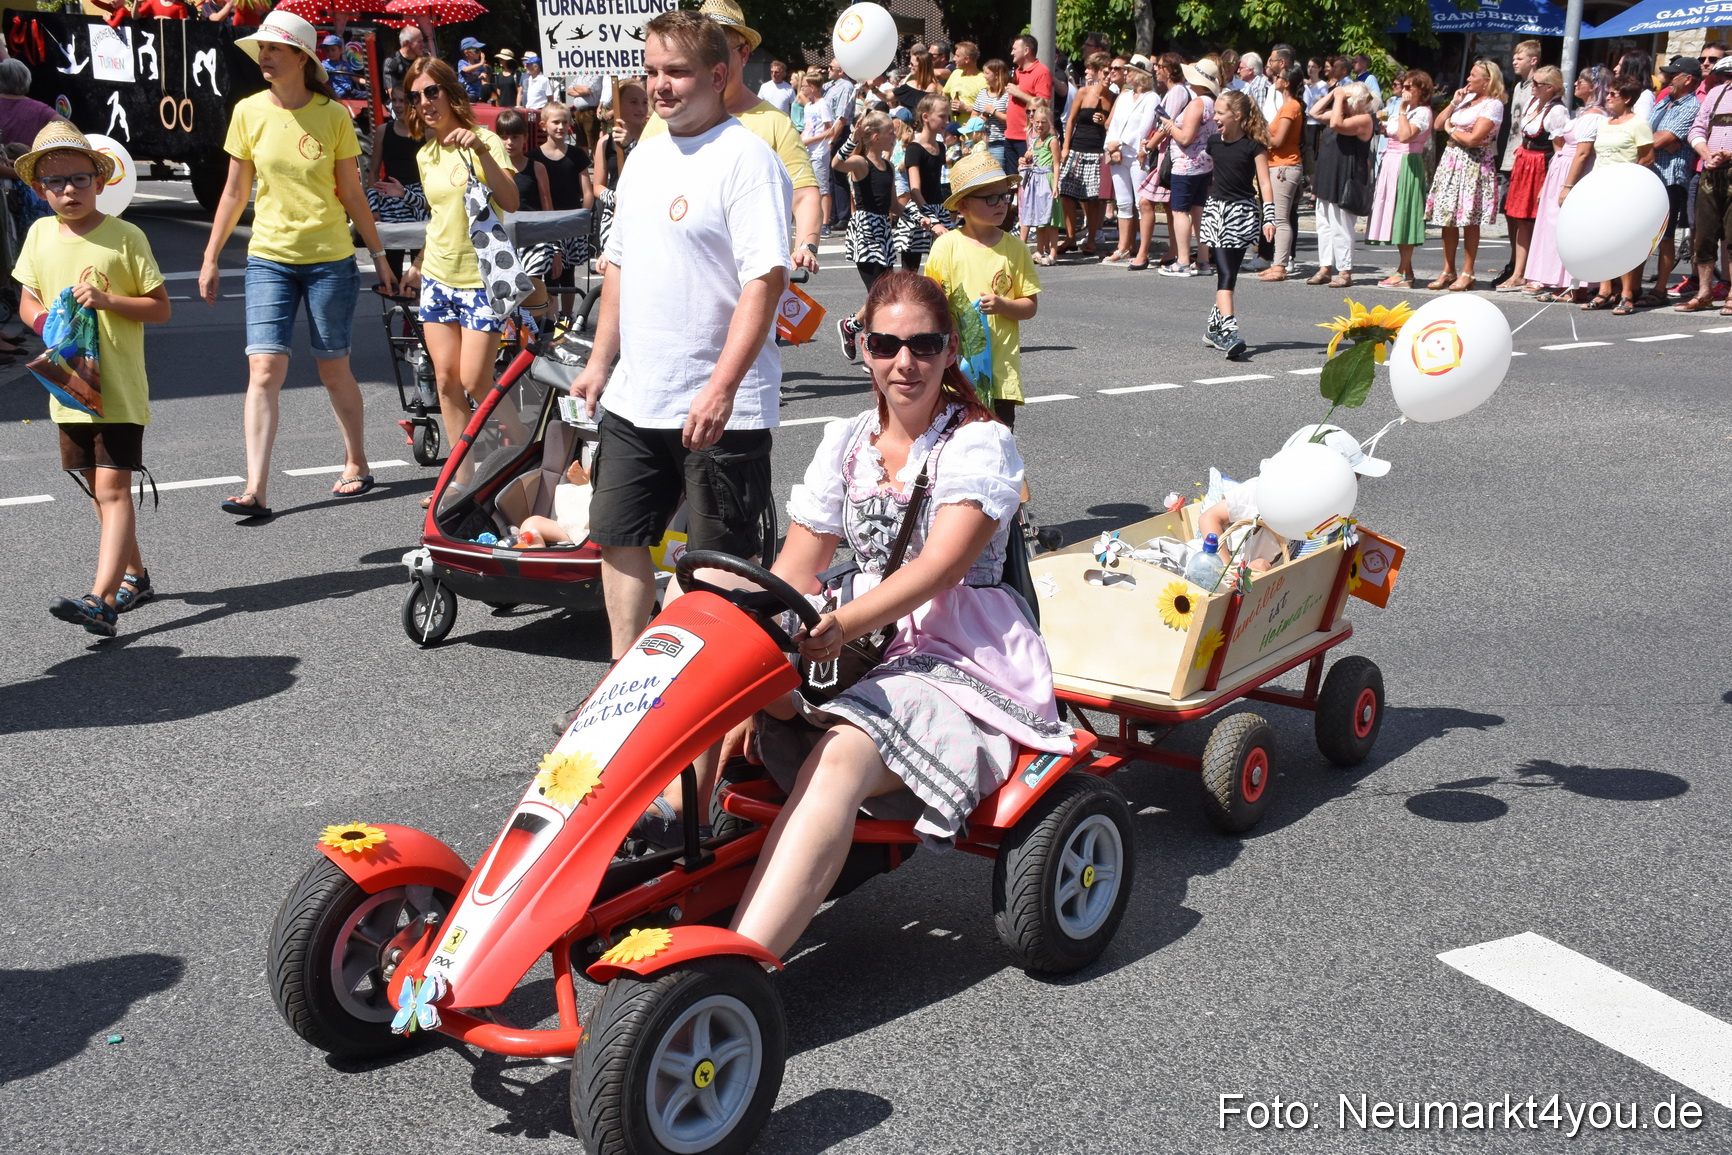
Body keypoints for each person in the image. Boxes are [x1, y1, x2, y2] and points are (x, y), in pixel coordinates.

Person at [726, 270, 1068, 958]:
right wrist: (743, 657)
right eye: (886, 345)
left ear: (950, 350)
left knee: (843, 753)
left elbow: (940, 567)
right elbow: (797, 565)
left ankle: (739, 963)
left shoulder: (978, 442)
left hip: (957, 651)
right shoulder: (846, 439)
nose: (904, 362)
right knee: (716, 682)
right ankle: (668, 857)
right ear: (864, 348)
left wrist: (840, 626)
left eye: (924, 345)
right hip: (861, 639)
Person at [568, 7, 792, 677]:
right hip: (638, 394)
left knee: (717, 562)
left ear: (718, 76)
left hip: (719, 404)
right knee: (617, 534)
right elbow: (618, 265)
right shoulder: (644, 154)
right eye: (652, 71)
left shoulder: (748, 160)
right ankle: (622, 681)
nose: (660, 86)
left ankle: (688, 694)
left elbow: (764, 282)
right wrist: (600, 362)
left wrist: (721, 388)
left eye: (678, 72)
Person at [200, 12, 395, 519]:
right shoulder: (248, 112)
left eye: (275, 49)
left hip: (330, 260)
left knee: (333, 369)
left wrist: (378, 256)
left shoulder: (334, 115)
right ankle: (255, 489)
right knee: (264, 369)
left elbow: (352, 192)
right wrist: (211, 256)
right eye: (262, 48)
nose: (264, 56)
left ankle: (356, 460)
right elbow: (234, 192)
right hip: (269, 258)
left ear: (303, 59)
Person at [16, 124, 171, 637]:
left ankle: (101, 599)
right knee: (97, 487)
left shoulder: (125, 237)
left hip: (119, 389)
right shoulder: (40, 234)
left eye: (80, 179)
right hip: (69, 388)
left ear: (100, 182)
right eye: (55, 182)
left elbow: (160, 307)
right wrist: (46, 323)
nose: (69, 190)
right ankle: (136, 577)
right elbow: (27, 299)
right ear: (39, 189)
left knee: (113, 488)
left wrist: (108, 301)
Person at [397, 56, 519, 480]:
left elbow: (511, 201)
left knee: (474, 380)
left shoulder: (485, 140)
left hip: (481, 279)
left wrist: (481, 151)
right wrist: (417, 264)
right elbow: (439, 217)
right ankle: (461, 481)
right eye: (415, 96)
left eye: (432, 91)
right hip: (437, 278)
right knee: (446, 381)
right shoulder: (426, 154)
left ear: (450, 92)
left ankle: (526, 449)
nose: (425, 102)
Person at [639, 0, 823, 277]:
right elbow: (638, 191)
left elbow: (804, 194)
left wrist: (806, 246)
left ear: (744, 53)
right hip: (672, 272)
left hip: (749, 278)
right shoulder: (664, 118)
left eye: (720, 49)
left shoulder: (774, 122)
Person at [925, 151, 1040, 426]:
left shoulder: (1016, 248)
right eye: (990, 198)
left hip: (1000, 373)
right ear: (963, 206)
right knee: (952, 440)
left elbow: (1029, 306)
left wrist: (1003, 306)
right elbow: (929, 305)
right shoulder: (946, 246)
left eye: (1004, 196)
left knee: (998, 440)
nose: (1000, 203)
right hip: (955, 372)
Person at [1199, 425, 1390, 572]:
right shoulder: (1261, 493)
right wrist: (1227, 571)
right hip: (1209, 569)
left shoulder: (1311, 511)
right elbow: (1209, 518)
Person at [1197, 90, 1274, 359]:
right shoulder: (1213, 143)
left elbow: (1265, 184)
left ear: (1237, 115)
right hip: (1217, 213)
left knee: (1229, 276)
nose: (1214, 117)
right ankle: (1229, 332)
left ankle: (1213, 329)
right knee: (1226, 275)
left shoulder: (1254, 146)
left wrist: (1270, 218)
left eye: (1220, 113)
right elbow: (1206, 166)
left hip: (1243, 215)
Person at [1525, 67, 1608, 301]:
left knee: (1569, 228)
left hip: (1573, 173)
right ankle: (1562, 281)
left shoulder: (1594, 116)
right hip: (1561, 170)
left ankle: (1575, 285)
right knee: (1554, 227)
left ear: (1594, 86)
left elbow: (1582, 153)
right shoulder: (1583, 113)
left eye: (1582, 80)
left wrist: (1568, 186)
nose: (1576, 83)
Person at [1424, 60, 1505, 292]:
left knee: (1469, 218)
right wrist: (1454, 103)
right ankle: (1448, 269)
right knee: (1448, 217)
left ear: (1487, 81)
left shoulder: (1493, 105)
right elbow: (1438, 124)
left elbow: (1473, 139)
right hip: (1452, 160)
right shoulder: (1467, 99)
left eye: (1473, 75)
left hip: (1473, 163)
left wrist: (1451, 129)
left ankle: (1468, 272)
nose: (1468, 79)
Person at [1581, 77, 1655, 314]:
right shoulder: (1605, 123)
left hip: (1625, 190)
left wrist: (1630, 180)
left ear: (1628, 98)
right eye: (1608, 93)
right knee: (1603, 241)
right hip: (1601, 187)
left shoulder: (1638, 124)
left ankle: (1627, 293)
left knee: (1623, 243)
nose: (1608, 97)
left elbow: (1647, 157)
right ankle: (1605, 290)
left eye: (1614, 94)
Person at [832, 112, 900, 360]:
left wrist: (924, 219)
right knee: (881, 294)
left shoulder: (889, 166)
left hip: (883, 233)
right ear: (875, 136)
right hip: (865, 231)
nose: (894, 136)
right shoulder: (861, 163)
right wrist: (853, 137)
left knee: (885, 294)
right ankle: (875, 350)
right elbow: (837, 164)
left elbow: (894, 205)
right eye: (890, 132)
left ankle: (851, 326)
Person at [1495, 65, 1563, 294]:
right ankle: (1518, 273)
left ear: (1550, 87)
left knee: (1537, 221)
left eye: (1537, 83)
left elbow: (1559, 151)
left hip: (1541, 166)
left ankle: (1536, 274)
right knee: (1521, 220)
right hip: (1525, 163)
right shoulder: (1533, 103)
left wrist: (1548, 183)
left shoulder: (1557, 111)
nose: (1532, 86)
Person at [1365, 70, 1433, 287]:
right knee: (1395, 216)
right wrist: (1385, 124)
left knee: (1404, 215)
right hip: (1391, 162)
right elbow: (1390, 132)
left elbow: (1405, 136)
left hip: (1407, 163)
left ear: (1421, 90)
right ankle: (1406, 270)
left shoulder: (1422, 112)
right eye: (1403, 86)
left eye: (1408, 87)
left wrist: (1402, 110)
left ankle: (1403, 272)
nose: (1403, 90)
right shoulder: (1407, 110)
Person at [1643, 57, 1701, 306]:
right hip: (1651, 172)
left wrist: (1660, 139)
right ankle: (1632, 286)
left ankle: (1660, 289)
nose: (1667, 79)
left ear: (1688, 79)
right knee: (1643, 232)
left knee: (1665, 235)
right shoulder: (1664, 101)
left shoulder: (1692, 105)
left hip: (1670, 178)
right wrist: (1659, 139)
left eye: (1673, 75)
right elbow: (1643, 133)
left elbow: (1657, 140)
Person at [1678, 57, 1732, 314]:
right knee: (1704, 235)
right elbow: (1697, 129)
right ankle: (1704, 293)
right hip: (1711, 172)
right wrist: (1706, 154)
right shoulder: (1716, 93)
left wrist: (1729, 154)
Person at [1157, 58, 1220, 277]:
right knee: (1198, 210)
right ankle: (1203, 260)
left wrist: (1168, 124)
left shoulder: (1197, 103)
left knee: (1180, 211)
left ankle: (1183, 261)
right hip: (1205, 163)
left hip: (1187, 163)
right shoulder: (1213, 102)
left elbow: (1185, 137)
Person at [1307, 80, 1372, 287]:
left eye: (1346, 100)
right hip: (1328, 174)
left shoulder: (1364, 119)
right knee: (1324, 225)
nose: (1342, 103)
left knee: (1341, 225)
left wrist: (1339, 98)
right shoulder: (1339, 113)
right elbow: (1314, 113)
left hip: (1346, 176)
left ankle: (1344, 271)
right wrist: (1333, 94)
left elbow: (1336, 124)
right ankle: (1325, 267)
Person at [536, 102, 595, 326]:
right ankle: (549, 319)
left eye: (564, 122)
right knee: (548, 274)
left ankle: (567, 318)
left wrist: (582, 217)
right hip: (545, 224)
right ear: (544, 125)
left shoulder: (577, 154)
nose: (561, 126)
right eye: (555, 122)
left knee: (568, 273)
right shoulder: (534, 157)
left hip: (571, 223)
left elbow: (587, 191)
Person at [366, 86, 431, 278]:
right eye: (394, 100)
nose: (397, 105)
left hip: (419, 201)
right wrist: (373, 207)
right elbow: (374, 171)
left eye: (402, 100)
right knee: (392, 263)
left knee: (420, 266)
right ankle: (395, 295)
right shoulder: (383, 131)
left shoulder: (428, 132)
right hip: (390, 202)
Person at [1057, 52, 1116, 258]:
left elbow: (1114, 127)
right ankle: (1070, 237)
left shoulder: (1114, 98)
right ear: (1098, 72)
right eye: (1106, 72)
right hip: (1077, 147)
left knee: (1093, 199)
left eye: (1111, 73)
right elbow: (1071, 120)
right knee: (1066, 193)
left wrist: (1104, 122)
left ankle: (1091, 239)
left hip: (1098, 150)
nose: (1108, 76)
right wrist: (1065, 147)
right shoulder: (1083, 92)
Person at [1101, 56, 1157, 264]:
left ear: (1141, 75)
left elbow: (1145, 127)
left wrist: (1120, 143)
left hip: (1137, 156)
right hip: (1118, 155)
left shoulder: (1152, 98)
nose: (1126, 73)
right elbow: (1114, 124)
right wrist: (1111, 147)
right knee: (1123, 203)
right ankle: (1123, 248)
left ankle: (1142, 250)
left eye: (1130, 70)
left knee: (1142, 203)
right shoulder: (1124, 96)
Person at [1259, 61, 1306, 281]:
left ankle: (1280, 266)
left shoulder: (1290, 107)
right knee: (1278, 217)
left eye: (1278, 77)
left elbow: (1278, 140)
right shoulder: (1288, 106)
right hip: (1280, 165)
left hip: (1284, 167)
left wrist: (1257, 135)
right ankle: (1277, 263)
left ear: (1286, 83)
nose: (1274, 79)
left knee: (1280, 218)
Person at [898, 93, 955, 271]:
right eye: (942, 116)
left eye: (947, 116)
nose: (946, 121)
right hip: (919, 208)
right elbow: (915, 189)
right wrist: (929, 217)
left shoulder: (941, 147)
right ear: (926, 117)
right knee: (910, 269)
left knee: (944, 264)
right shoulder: (914, 148)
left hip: (939, 207)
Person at [595, 79, 647, 255]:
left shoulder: (653, 138)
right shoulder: (605, 143)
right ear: (617, 106)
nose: (641, 108)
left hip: (644, 210)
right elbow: (597, 186)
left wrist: (631, 145)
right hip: (614, 214)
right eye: (633, 102)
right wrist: (614, 197)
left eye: (644, 102)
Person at [1018, 99, 1061, 264]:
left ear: (1049, 123)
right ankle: (1040, 250)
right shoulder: (1035, 140)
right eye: (1037, 122)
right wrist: (1025, 160)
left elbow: (1056, 164)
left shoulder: (1052, 140)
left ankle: (1053, 253)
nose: (1039, 125)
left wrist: (1055, 185)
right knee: (1039, 219)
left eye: (1043, 122)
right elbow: (1034, 159)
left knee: (1051, 219)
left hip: (1047, 179)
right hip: (1035, 180)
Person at [1005, 34, 1052, 173]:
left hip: (1027, 137)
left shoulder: (1041, 72)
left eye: (1015, 49)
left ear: (1026, 51)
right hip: (1010, 135)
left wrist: (1018, 93)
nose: (1012, 52)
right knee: (1012, 180)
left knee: (1027, 178)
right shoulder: (1017, 71)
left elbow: (1044, 105)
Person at [801, 73, 836, 235]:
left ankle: (825, 223)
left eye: (804, 86)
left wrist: (811, 140)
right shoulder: (808, 106)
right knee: (810, 186)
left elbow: (830, 130)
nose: (802, 89)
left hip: (819, 151)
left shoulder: (823, 105)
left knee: (823, 187)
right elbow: (807, 128)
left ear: (812, 87)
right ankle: (813, 219)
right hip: (808, 151)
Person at [973, 59, 1012, 173]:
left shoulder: (1007, 95)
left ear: (996, 75)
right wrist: (978, 120)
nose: (984, 76)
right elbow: (974, 114)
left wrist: (993, 111)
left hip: (999, 143)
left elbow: (1010, 120)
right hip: (981, 142)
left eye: (987, 73)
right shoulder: (982, 93)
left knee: (996, 174)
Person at [943, 41, 986, 119]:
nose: (954, 59)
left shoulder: (984, 80)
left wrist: (965, 108)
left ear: (967, 59)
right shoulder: (956, 73)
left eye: (957, 56)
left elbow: (987, 111)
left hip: (972, 126)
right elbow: (945, 95)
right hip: (953, 125)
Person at [381, 25, 422, 99]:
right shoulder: (391, 62)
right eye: (419, 42)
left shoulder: (423, 61)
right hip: (403, 103)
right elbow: (393, 95)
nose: (423, 45)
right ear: (406, 43)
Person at [456, 37, 487, 103]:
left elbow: (483, 71)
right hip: (465, 93)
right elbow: (466, 69)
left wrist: (483, 73)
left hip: (477, 93)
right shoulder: (462, 62)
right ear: (466, 52)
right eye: (476, 50)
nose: (479, 53)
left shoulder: (478, 63)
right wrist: (481, 63)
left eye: (479, 50)